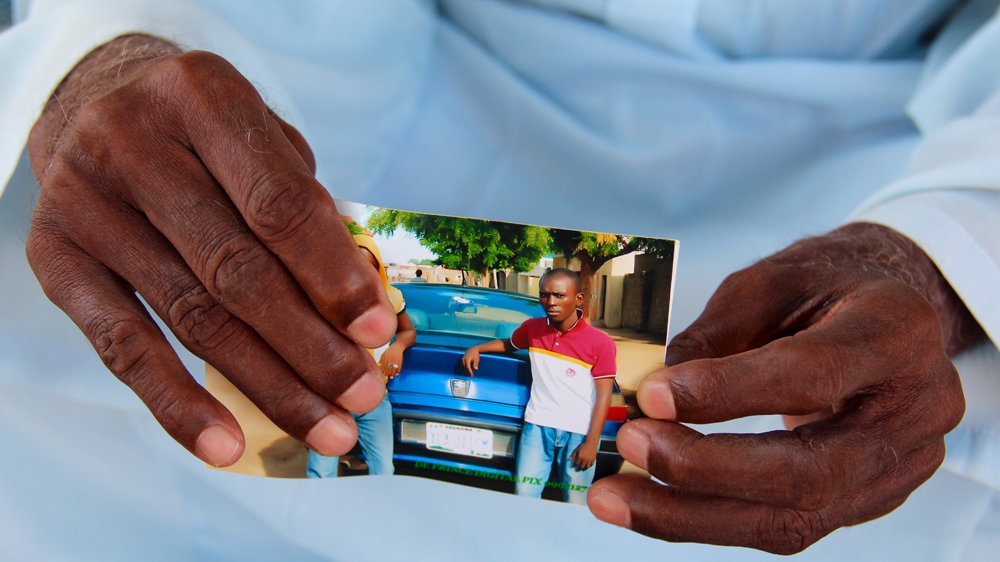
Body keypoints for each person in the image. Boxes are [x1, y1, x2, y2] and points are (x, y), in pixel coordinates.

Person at [1, 1, 999, 559]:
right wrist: (108, 50)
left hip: (858, 210)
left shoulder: (590, 346)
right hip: (313, 170)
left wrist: (946, 253)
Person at [461, 268, 616, 505]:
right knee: (525, 495)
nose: (550, 302)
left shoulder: (601, 343)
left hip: (579, 433)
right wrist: (477, 348)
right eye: (544, 295)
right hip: (538, 426)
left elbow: (604, 395)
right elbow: (508, 345)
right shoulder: (532, 328)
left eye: (559, 295)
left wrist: (592, 443)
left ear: (579, 298)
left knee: (576, 499)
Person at [306, 234, 415, 478]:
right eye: (354, 263)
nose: (362, 272)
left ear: (378, 267)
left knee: (384, 469)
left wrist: (397, 347)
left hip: (375, 399)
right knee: (321, 471)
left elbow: (408, 330)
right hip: (333, 399)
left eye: (370, 265)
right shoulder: (325, 297)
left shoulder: (392, 297)